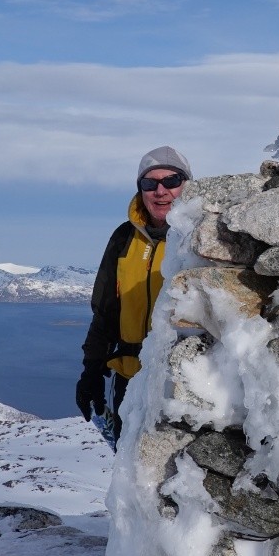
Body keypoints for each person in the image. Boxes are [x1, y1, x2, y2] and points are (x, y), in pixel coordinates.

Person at [76, 146, 193, 450]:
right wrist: (91, 372)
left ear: (187, 184)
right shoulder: (123, 238)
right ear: (140, 189)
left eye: (171, 180)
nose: (160, 191)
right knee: (129, 470)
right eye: (149, 183)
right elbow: (105, 313)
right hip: (129, 377)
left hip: (181, 381)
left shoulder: (201, 236)